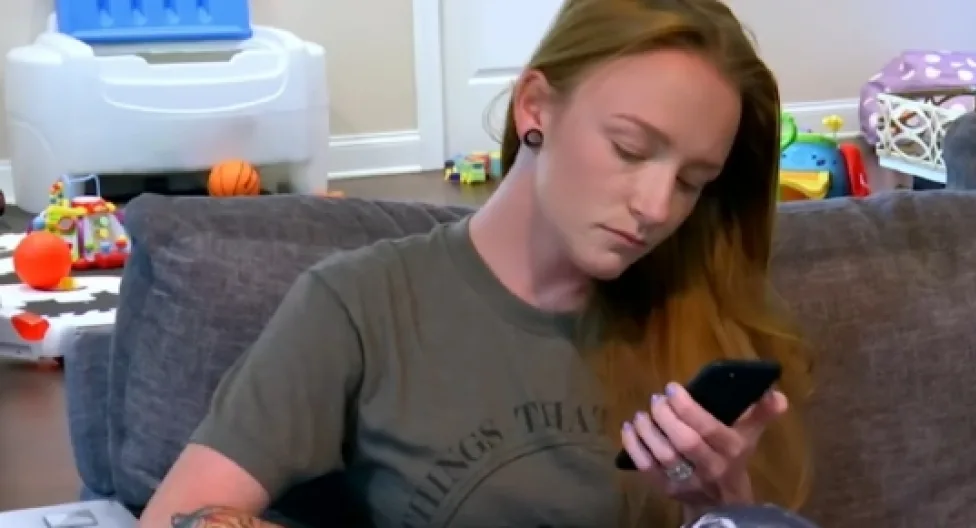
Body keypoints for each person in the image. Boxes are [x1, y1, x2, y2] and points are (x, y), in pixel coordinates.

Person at [141, 0, 814, 526]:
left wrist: (722, 505)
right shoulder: (362, 304)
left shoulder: (700, 318)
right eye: (631, 150)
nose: (657, 206)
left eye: (692, 181)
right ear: (534, 107)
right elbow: (181, 516)